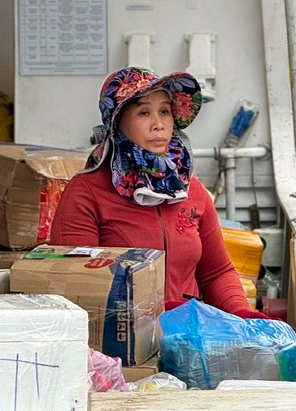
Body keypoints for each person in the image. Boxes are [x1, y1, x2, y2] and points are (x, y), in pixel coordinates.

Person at [50, 68, 261, 317]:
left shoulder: (191, 190)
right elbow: (76, 285)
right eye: (144, 112)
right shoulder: (86, 192)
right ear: (117, 122)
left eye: (165, 111)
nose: (159, 125)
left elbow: (216, 273)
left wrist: (245, 315)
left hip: (185, 337)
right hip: (118, 344)